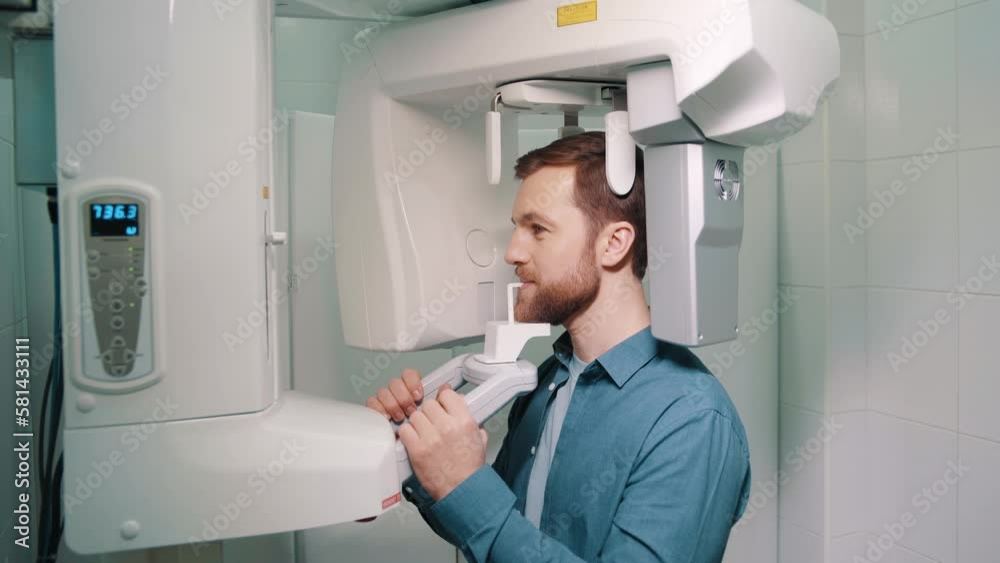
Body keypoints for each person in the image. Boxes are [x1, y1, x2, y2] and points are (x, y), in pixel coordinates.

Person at [366, 132, 751, 563]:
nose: (513, 252)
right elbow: (492, 533)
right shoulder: (549, 379)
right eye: (516, 228)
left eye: (538, 229)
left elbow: (486, 519)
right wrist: (417, 455)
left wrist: (465, 487)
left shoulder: (692, 420)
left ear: (614, 244)